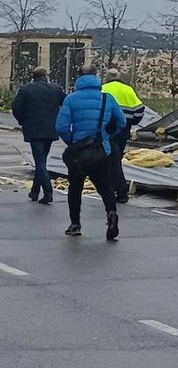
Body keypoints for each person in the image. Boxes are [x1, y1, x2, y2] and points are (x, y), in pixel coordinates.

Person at [55, 65, 125, 240]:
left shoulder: (71, 99)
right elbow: (121, 122)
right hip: (102, 150)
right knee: (105, 186)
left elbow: (61, 126)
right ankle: (111, 213)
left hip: (79, 152)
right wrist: (107, 135)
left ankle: (75, 224)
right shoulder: (106, 99)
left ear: (78, 77)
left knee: (75, 188)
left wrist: (72, 141)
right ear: (96, 76)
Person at [12, 67, 66, 204]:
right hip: (50, 129)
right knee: (41, 160)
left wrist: (22, 120)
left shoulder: (26, 89)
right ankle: (35, 191)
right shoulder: (56, 89)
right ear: (46, 76)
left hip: (33, 129)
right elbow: (65, 105)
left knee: (40, 161)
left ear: (33, 76)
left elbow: (16, 108)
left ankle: (48, 192)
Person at [102, 68, 145, 204]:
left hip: (108, 128)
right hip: (124, 129)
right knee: (116, 158)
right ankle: (114, 188)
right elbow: (139, 110)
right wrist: (132, 121)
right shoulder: (128, 89)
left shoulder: (103, 89)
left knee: (111, 161)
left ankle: (120, 190)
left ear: (107, 77)